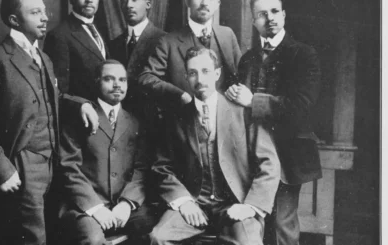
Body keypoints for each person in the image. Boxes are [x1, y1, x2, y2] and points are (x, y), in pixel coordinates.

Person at [0, 0, 98, 244]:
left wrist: (82, 104)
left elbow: (52, 98)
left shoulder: (44, 58)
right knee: (33, 239)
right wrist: (3, 169)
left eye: (45, 11)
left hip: (52, 163)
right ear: (14, 20)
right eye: (35, 12)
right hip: (22, 165)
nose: (45, 17)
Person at [149, 47, 280, 245]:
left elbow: (269, 164)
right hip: (194, 203)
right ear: (186, 76)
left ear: (217, 74)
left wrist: (250, 206)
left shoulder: (243, 113)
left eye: (205, 71)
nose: (199, 79)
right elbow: (162, 167)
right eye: (193, 73)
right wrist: (184, 201)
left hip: (235, 205)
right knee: (158, 237)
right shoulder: (175, 117)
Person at [225, 0, 322, 244]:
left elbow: (300, 106)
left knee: (281, 227)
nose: (270, 18)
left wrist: (252, 100)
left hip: (287, 155)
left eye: (275, 11)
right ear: (254, 21)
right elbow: (240, 108)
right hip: (250, 156)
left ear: (284, 15)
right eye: (262, 14)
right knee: (249, 227)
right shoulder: (247, 59)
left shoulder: (303, 54)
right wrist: (232, 98)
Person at [55, 60, 155, 245]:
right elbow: (68, 168)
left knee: (153, 230)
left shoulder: (134, 122)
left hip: (122, 205)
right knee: (93, 239)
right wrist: (95, 208)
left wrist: (126, 203)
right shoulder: (79, 118)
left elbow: (141, 170)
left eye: (122, 80)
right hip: (83, 206)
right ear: (97, 82)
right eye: (109, 79)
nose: (117, 85)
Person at [138, 0, 242, 111]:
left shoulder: (227, 35)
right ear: (187, 2)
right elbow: (146, 77)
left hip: (223, 117)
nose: (204, 3)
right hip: (185, 118)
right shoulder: (168, 41)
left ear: (218, 3)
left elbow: (242, 76)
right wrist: (179, 95)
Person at [108, 0, 166, 118]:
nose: (129, 5)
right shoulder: (113, 44)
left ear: (148, 4)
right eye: (124, 1)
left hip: (155, 122)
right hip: (123, 122)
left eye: (134, 0)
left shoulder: (164, 40)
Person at [43, 0, 108, 100]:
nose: (89, 0)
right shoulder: (58, 35)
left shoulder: (103, 30)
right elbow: (59, 90)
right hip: (80, 111)